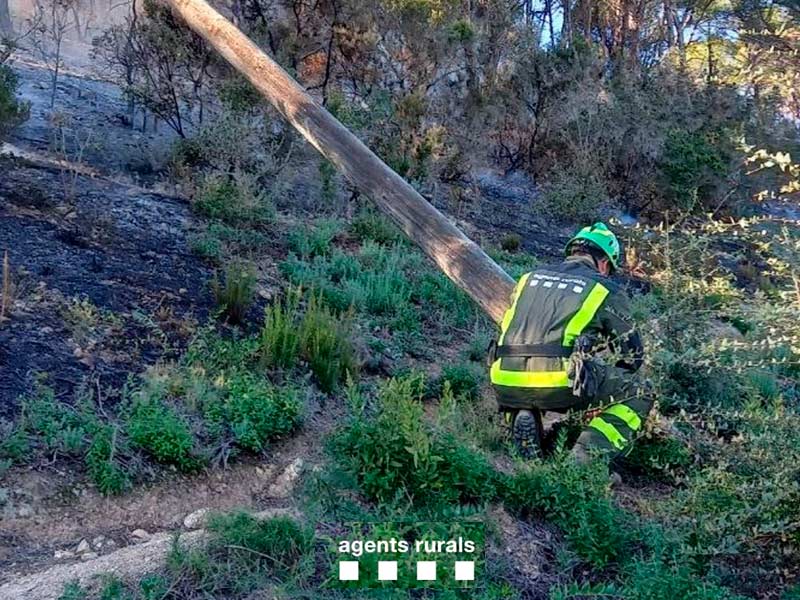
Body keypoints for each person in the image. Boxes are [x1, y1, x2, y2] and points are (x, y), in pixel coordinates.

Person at [489, 222, 650, 462]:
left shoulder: (528, 278)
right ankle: (586, 457)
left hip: (503, 377)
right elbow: (632, 355)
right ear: (604, 263)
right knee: (641, 391)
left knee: (527, 372)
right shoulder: (604, 287)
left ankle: (522, 414)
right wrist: (602, 379)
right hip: (558, 381)